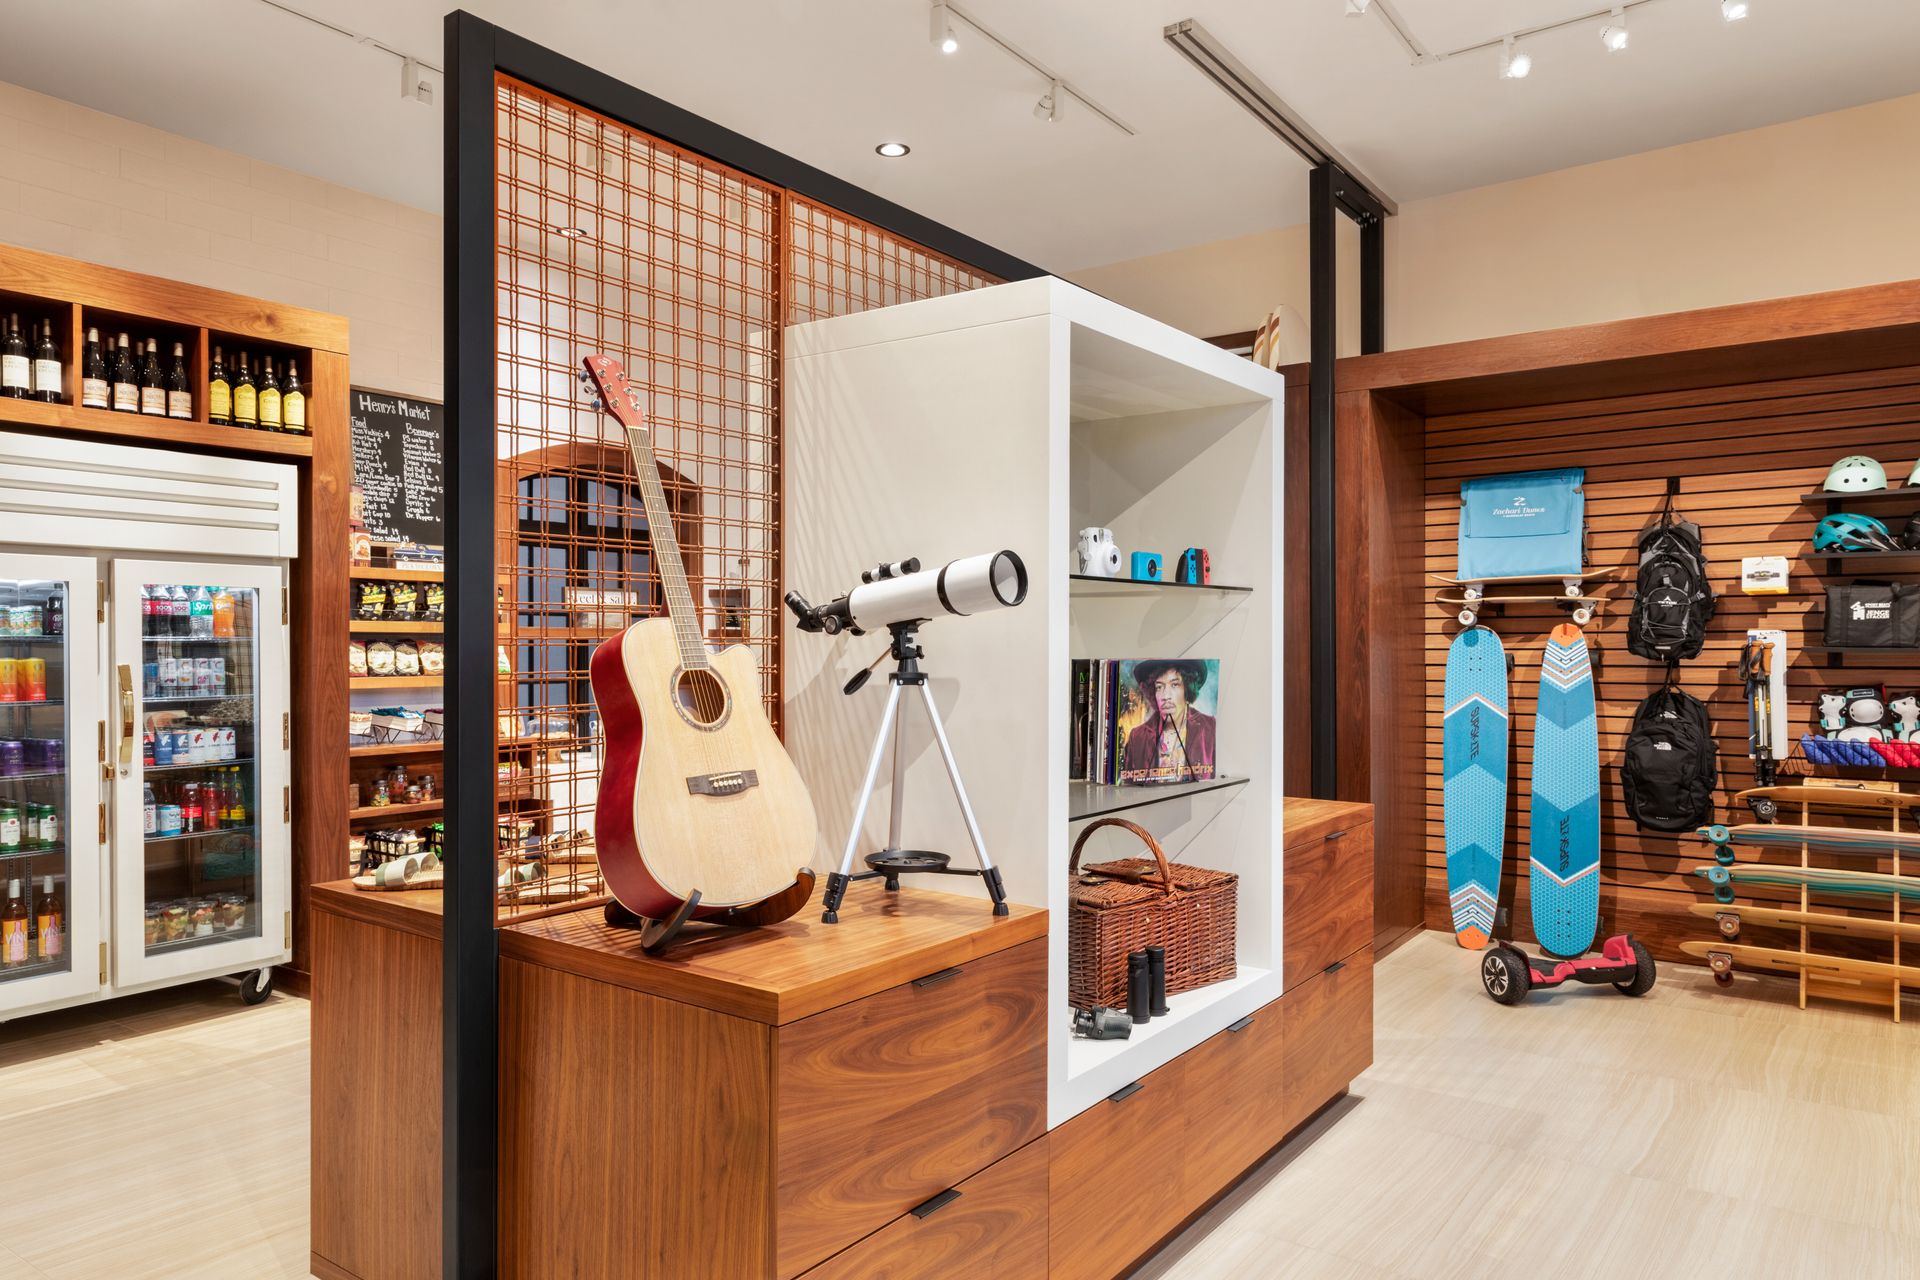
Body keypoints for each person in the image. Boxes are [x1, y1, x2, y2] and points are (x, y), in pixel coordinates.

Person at [1120, 659, 1216, 781]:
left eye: (1175, 685)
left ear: (1187, 688)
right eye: (1159, 687)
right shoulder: (1137, 736)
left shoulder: (1209, 728)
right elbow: (1130, 788)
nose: (1166, 696)